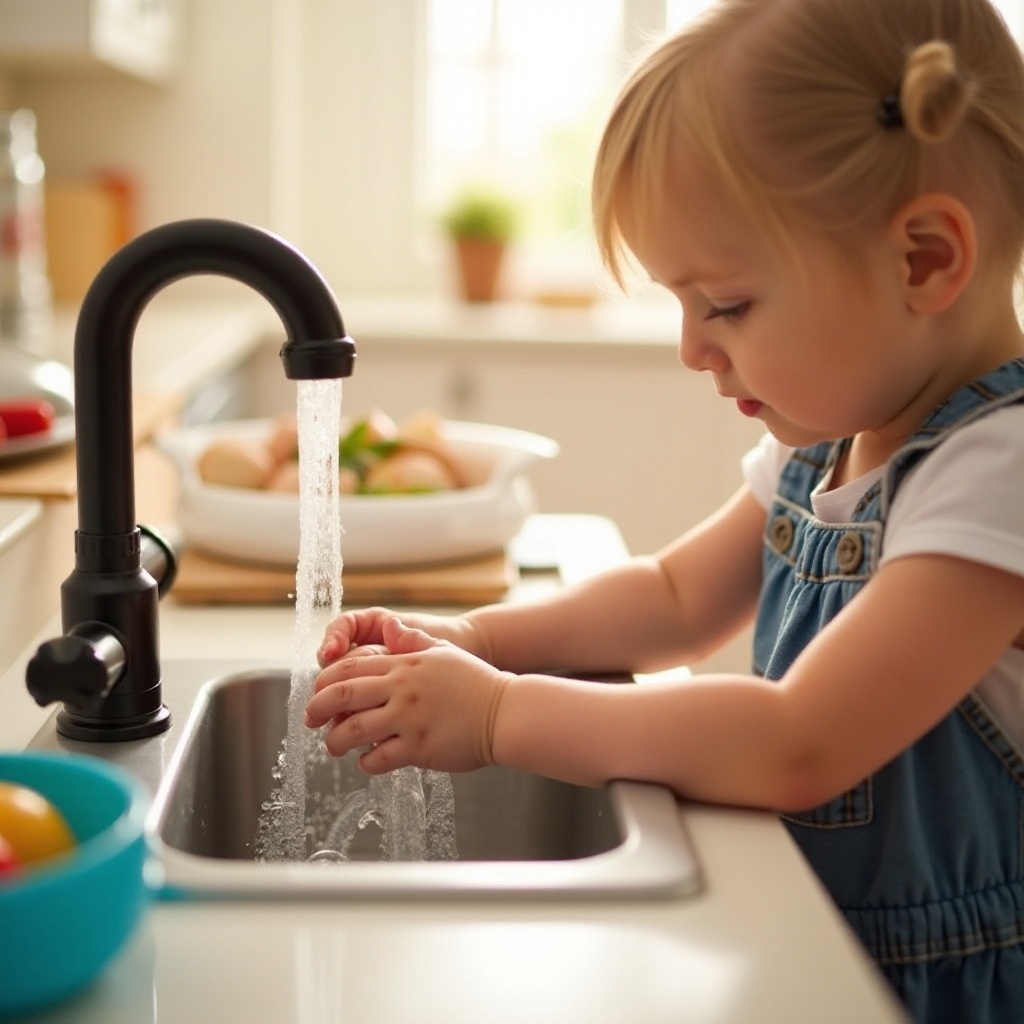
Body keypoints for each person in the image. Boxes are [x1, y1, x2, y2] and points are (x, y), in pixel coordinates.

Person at [305, 1, 1024, 1019]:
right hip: (820, 941)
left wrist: (500, 713)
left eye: (723, 304)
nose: (692, 346)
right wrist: (475, 639)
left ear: (922, 261)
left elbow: (796, 741)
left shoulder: (998, 469)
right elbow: (676, 596)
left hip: (936, 989)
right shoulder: (823, 440)